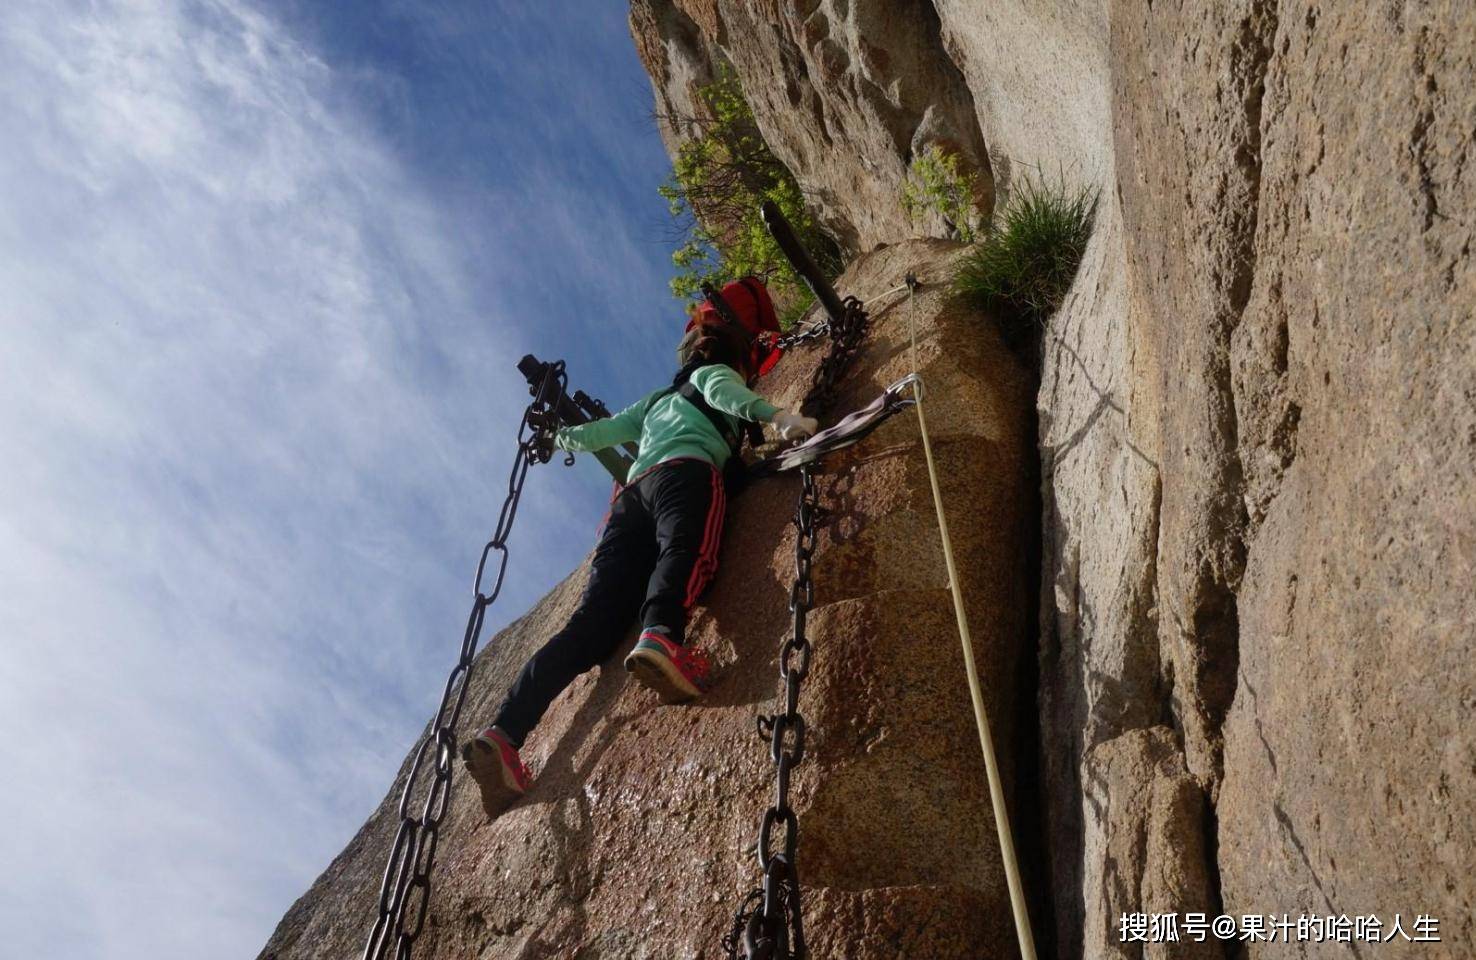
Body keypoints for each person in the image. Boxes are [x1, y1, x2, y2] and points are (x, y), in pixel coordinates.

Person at [461, 320, 819, 819]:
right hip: (685, 473)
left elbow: (599, 434)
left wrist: (556, 438)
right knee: (689, 551)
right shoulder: (715, 375)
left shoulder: (655, 402)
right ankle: (662, 637)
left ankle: (503, 735)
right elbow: (733, 399)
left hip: (630, 501)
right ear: (733, 360)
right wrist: (780, 416)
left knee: (589, 626)